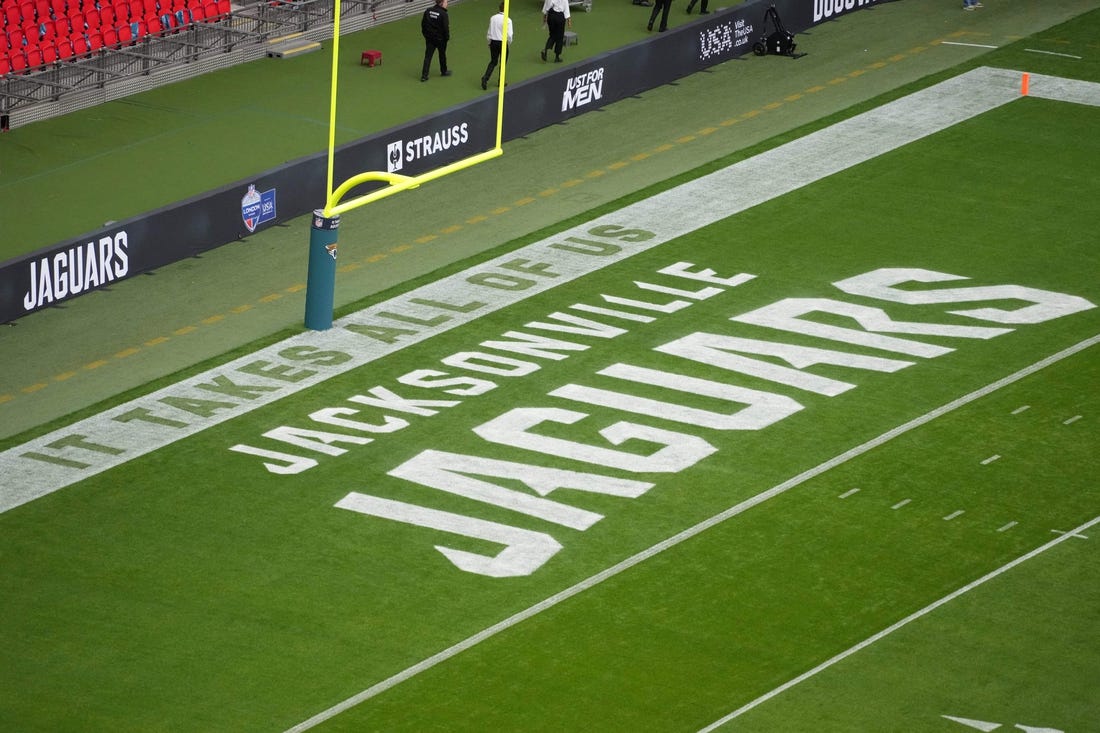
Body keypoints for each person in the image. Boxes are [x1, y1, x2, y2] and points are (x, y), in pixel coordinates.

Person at [481, 2, 513, 90]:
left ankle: (485, 78)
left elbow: (489, 31)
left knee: (493, 61)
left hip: (493, 42)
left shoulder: (493, 18)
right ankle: (501, 81)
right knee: (502, 63)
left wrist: (489, 42)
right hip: (502, 43)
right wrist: (508, 43)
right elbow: (509, 35)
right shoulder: (508, 20)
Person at [420, 0, 451, 82]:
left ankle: (424, 75)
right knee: (442, 55)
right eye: (446, 2)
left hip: (430, 39)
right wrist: (447, 38)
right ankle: (444, 71)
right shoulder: (444, 14)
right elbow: (445, 28)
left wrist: (426, 35)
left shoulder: (428, 11)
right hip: (440, 39)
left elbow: (423, 24)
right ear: (441, 3)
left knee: (428, 57)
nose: (447, 3)